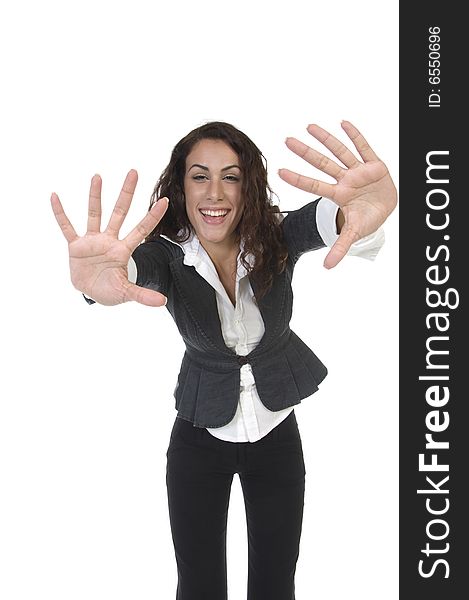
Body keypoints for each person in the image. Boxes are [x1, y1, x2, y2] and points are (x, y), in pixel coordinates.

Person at [50, 120, 397, 600]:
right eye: (200, 176)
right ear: (180, 185)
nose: (215, 192)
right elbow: (131, 269)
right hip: (198, 437)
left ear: (248, 184)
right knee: (198, 584)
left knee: (276, 583)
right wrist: (103, 278)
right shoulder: (167, 256)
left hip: (276, 432)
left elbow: (325, 220)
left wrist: (361, 211)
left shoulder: (274, 235)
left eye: (230, 176)